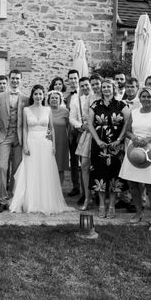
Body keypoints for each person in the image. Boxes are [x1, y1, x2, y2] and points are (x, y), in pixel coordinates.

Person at [10, 85, 72, 215]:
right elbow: (25, 129)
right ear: (32, 96)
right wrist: (25, 145)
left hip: (45, 144)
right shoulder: (26, 110)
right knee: (31, 171)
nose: (38, 96)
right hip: (31, 142)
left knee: (45, 171)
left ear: (43, 96)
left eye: (40, 94)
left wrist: (54, 144)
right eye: (36, 94)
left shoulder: (47, 109)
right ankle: (31, 202)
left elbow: (51, 128)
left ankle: (45, 201)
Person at [119, 87, 151, 231]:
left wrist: (149, 138)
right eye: (143, 96)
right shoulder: (134, 113)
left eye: (149, 96)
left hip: (150, 152)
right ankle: (139, 212)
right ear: (139, 98)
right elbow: (128, 131)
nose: (146, 99)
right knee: (132, 183)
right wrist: (133, 137)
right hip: (133, 150)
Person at [87, 78, 129, 219]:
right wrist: (97, 140)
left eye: (108, 87)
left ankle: (111, 205)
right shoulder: (95, 105)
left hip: (116, 147)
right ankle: (101, 205)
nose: (105, 89)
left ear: (113, 88)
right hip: (99, 146)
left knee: (113, 176)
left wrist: (119, 140)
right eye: (103, 87)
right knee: (100, 175)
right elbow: (90, 124)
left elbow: (128, 123)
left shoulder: (121, 105)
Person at [0, 69, 28, 213]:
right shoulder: (0, 97)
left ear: (21, 80)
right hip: (4, 136)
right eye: (12, 78)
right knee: (1, 167)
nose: (15, 81)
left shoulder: (25, 99)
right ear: (9, 79)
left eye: (17, 79)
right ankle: (2, 199)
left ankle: (14, 199)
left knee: (17, 170)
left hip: (19, 137)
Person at [69, 76, 93, 208]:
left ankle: (97, 195)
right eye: (82, 86)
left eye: (86, 85)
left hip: (99, 134)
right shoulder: (76, 100)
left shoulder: (98, 97)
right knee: (84, 165)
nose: (85, 87)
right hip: (84, 134)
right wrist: (80, 126)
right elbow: (71, 118)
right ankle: (86, 195)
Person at [65, 69, 81, 197]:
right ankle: (76, 186)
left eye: (75, 78)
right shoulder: (67, 97)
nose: (73, 81)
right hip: (72, 132)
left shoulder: (86, 93)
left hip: (83, 131)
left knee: (85, 161)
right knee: (74, 161)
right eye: (71, 78)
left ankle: (87, 191)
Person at [48, 90, 69, 184]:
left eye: (56, 98)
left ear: (60, 100)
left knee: (60, 166)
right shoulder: (45, 110)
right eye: (52, 98)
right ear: (48, 99)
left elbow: (69, 127)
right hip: (48, 141)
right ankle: (48, 187)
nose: (54, 99)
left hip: (61, 141)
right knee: (48, 165)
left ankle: (59, 189)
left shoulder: (65, 111)